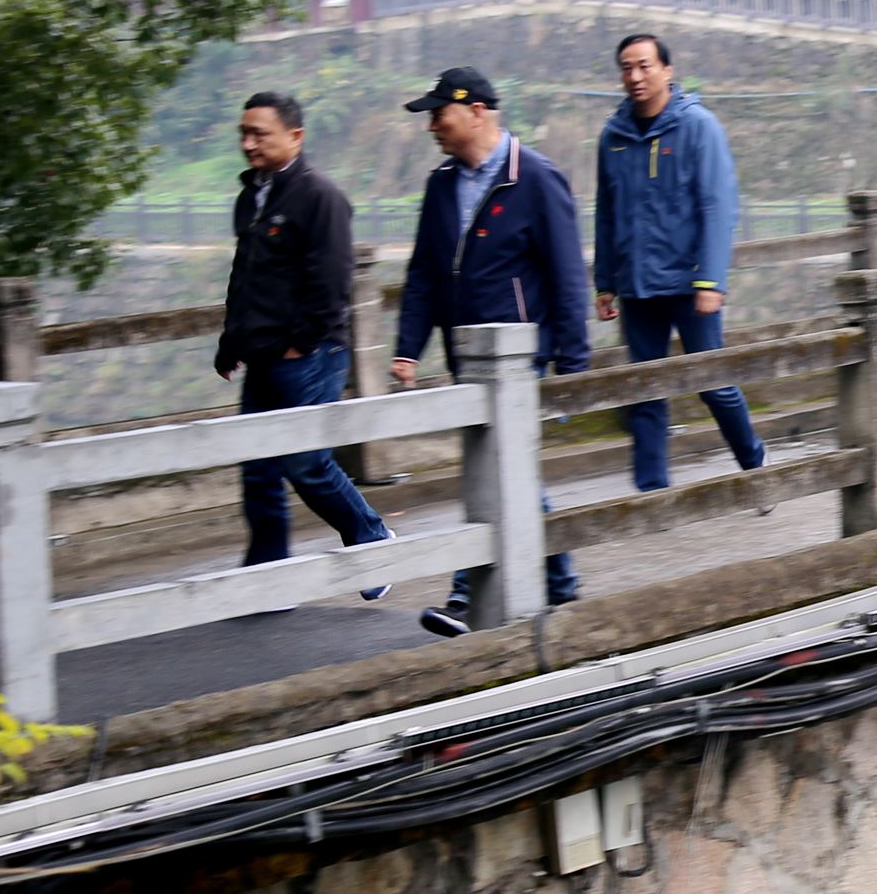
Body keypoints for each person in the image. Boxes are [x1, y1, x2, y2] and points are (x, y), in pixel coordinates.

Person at [391, 66, 590, 633]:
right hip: (467, 357)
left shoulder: (536, 179)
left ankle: (466, 595)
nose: (432, 125)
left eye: (440, 113)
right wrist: (409, 347)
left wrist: (573, 366)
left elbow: (568, 275)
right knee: (509, 473)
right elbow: (425, 274)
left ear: (477, 111)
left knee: (500, 471)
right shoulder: (441, 184)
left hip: (521, 355)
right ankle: (560, 586)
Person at [212, 91, 394, 591]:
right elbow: (243, 275)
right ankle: (270, 576)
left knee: (306, 463)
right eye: (243, 135)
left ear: (295, 136)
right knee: (258, 470)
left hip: (310, 354)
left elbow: (332, 285)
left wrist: (300, 344)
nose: (249, 144)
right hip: (261, 355)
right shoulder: (251, 196)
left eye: (260, 134)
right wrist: (231, 340)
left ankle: (371, 539)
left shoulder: (320, 197)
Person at [595, 31, 770, 495]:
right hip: (637, 285)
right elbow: (606, 211)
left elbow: (718, 205)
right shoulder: (613, 137)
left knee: (713, 384)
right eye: (626, 68)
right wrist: (605, 281)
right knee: (645, 391)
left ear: (667, 71)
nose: (635, 76)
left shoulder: (698, 127)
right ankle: (651, 494)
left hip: (690, 285)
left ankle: (754, 462)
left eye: (644, 66)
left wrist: (711, 280)